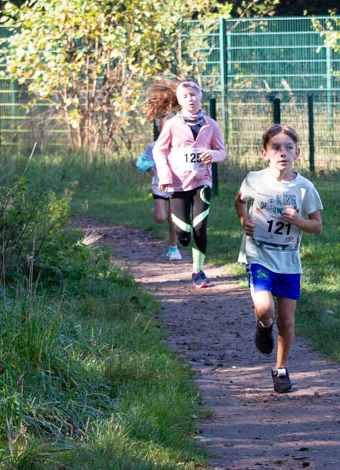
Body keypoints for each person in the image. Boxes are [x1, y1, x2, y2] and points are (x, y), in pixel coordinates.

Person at [235, 125, 323, 393]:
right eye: (275, 147)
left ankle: (281, 369)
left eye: (288, 147)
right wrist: (244, 221)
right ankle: (264, 325)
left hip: (289, 263)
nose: (282, 152)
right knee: (265, 309)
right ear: (265, 154)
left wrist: (298, 221)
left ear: (297, 152)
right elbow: (239, 201)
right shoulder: (254, 180)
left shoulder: (305, 188)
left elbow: (316, 225)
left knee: (287, 321)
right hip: (259, 256)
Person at [149, 78, 227, 288]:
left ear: (200, 97)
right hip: (177, 184)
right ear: (179, 100)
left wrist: (212, 155)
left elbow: (222, 151)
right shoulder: (172, 124)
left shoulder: (211, 125)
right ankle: (183, 238)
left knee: (200, 226)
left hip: (202, 181)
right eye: (185, 96)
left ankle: (198, 272)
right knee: (183, 231)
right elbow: (159, 150)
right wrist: (165, 177)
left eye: (193, 95)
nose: (190, 99)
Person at [136, 139, 181, 260]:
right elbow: (142, 161)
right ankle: (155, 211)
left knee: (173, 218)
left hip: (177, 185)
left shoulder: (181, 144)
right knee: (160, 218)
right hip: (159, 186)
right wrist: (150, 170)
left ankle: (173, 248)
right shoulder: (154, 146)